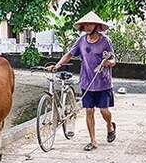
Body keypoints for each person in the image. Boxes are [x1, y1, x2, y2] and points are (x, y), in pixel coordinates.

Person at [47, 11, 117, 151]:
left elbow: (114, 60)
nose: (88, 27)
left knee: (104, 111)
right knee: (89, 111)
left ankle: (110, 125)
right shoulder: (81, 41)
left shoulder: (105, 41)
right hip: (86, 82)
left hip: (103, 82)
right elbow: (69, 55)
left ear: (97, 26)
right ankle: (93, 141)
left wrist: (108, 63)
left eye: (91, 24)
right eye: (86, 24)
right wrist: (57, 65)